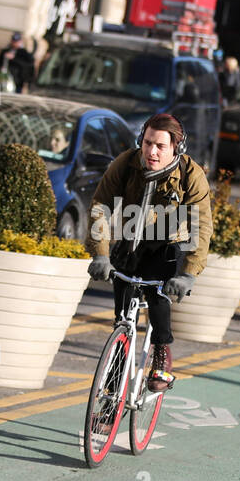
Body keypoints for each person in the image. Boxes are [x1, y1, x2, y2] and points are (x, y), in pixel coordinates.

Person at [86, 114, 213, 392]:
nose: (151, 151)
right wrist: (101, 254)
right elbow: (100, 205)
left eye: (160, 146)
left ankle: (161, 354)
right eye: (147, 143)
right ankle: (110, 394)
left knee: (157, 293)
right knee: (122, 319)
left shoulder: (191, 176)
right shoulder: (126, 163)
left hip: (168, 244)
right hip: (131, 242)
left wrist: (188, 275)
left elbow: (201, 226)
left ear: (176, 148)